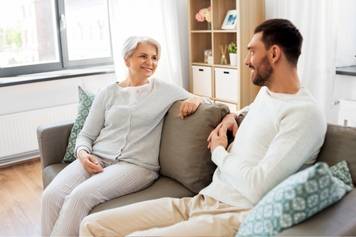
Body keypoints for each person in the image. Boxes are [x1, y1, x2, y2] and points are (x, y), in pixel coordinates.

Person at [79, 19, 327, 237]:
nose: (246, 60)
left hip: (237, 214)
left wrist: (219, 152)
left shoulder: (304, 114)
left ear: (274, 54)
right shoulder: (268, 95)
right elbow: (252, 113)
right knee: (92, 225)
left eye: (252, 51)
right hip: (201, 201)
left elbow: (258, 185)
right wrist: (233, 116)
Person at [41, 36, 205, 237]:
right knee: (50, 195)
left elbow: (203, 98)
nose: (150, 62)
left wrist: (195, 99)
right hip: (96, 157)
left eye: (154, 58)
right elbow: (86, 134)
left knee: (79, 197)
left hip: (136, 166)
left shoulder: (163, 89)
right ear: (127, 60)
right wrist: (83, 155)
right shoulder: (107, 93)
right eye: (143, 56)